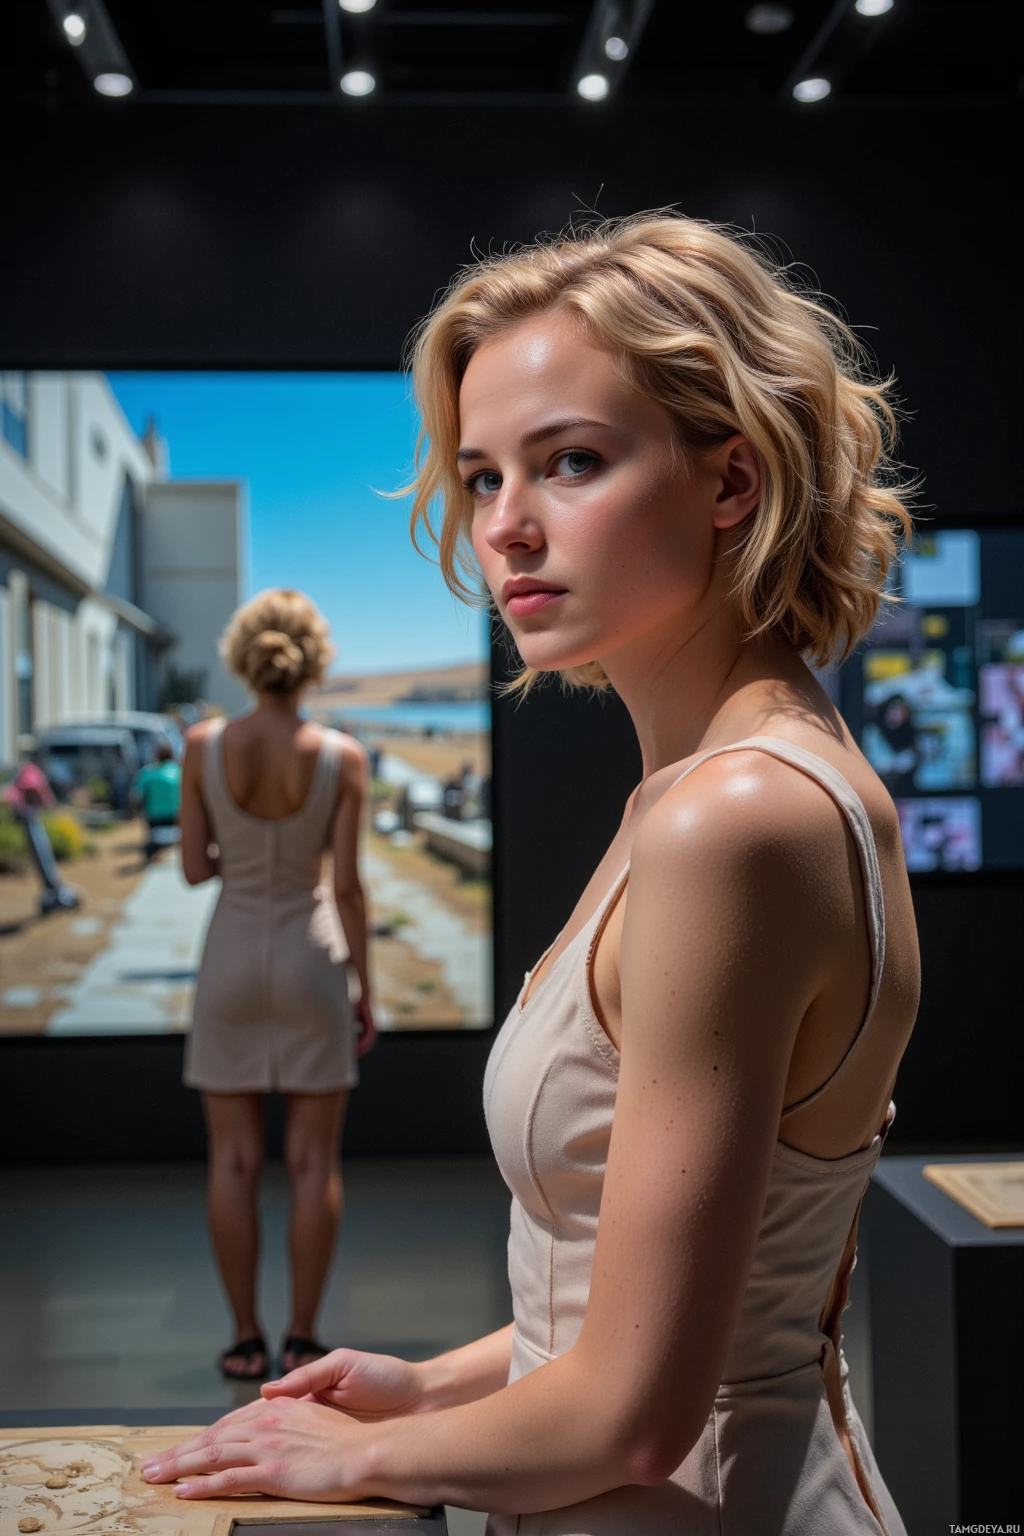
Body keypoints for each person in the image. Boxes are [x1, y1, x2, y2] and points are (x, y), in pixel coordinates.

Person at [144, 216, 921, 1534]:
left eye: (569, 462)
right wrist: (431, 1384)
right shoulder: (718, 787)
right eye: (483, 475)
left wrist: (353, 1463)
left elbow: (637, 1413)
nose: (506, 528)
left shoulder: (731, 818)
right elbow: (650, 1307)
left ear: (730, 481)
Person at [179, 588, 377, 1383]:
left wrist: (243, 851)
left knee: (230, 1161)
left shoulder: (201, 745)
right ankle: (300, 1339)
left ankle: (241, 1338)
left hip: (230, 956)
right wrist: (364, 987)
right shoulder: (342, 756)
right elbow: (351, 890)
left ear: (244, 657)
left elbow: (196, 868)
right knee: (310, 1163)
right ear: (314, 662)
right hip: (311, 956)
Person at [3, 759, 79, 915]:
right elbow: (31, 790)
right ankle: (53, 889)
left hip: (31, 817)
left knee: (43, 855)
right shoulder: (29, 772)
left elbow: (33, 790)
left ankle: (55, 889)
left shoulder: (28, 772)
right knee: (41, 855)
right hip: (29, 817)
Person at [131, 739, 182, 860]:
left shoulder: (147, 772)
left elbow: (135, 796)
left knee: (150, 849)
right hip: (176, 818)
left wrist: (135, 812)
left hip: (154, 819)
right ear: (172, 755)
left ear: (156, 756)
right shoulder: (179, 771)